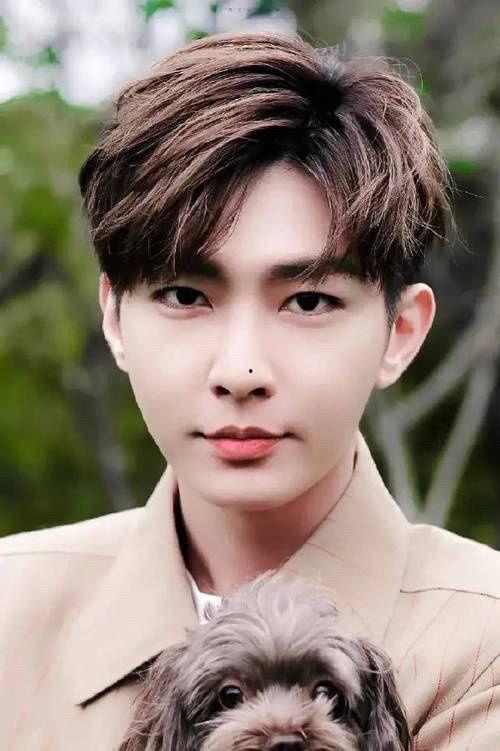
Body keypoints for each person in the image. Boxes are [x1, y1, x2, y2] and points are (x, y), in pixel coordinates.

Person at [1, 30, 499, 750]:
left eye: (308, 301)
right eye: (184, 295)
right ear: (114, 318)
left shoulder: (480, 649)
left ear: (400, 331)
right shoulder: (11, 613)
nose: (240, 371)